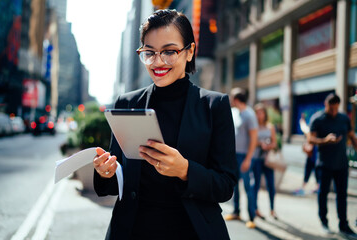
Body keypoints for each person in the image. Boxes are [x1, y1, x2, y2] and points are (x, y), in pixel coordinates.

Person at [92, 9, 238, 240]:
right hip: (132, 231)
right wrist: (106, 172)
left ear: (189, 52)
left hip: (192, 232)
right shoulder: (127, 103)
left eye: (169, 51)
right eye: (149, 52)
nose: (158, 61)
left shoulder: (214, 106)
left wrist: (185, 171)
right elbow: (116, 180)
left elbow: (225, 185)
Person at [308, 93, 357, 238]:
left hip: (341, 164)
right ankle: (324, 221)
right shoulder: (317, 119)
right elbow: (310, 139)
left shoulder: (343, 118)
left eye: (336, 108)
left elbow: (352, 137)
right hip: (324, 164)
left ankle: (344, 225)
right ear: (326, 104)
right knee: (323, 194)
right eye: (331, 109)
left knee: (342, 195)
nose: (334, 111)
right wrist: (325, 140)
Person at [224, 88, 258, 228]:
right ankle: (236, 211)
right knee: (235, 185)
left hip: (245, 156)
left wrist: (248, 159)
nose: (230, 100)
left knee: (247, 187)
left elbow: (254, 138)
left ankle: (251, 217)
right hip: (234, 155)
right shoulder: (234, 112)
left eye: (232, 98)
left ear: (237, 99)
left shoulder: (249, 114)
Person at [252, 103, 278, 220]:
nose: (259, 115)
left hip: (268, 160)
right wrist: (259, 144)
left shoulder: (270, 126)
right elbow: (250, 142)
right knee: (256, 185)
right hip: (256, 159)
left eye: (261, 112)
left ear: (265, 114)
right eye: (257, 113)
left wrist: (268, 146)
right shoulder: (253, 126)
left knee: (271, 185)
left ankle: (272, 210)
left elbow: (275, 143)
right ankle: (256, 209)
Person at [294, 113, 320, 196]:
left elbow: (304, 128)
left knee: (311, 171)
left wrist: (302, 121)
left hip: (313, 156)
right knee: (312, 171)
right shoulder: (313, 131)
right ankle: (315, 187)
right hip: (313, 156)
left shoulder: (311, 132)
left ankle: (308, 187)